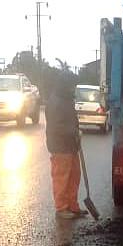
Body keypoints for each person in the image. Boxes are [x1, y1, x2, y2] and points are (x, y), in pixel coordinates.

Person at [45, 73, 87, 219]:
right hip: (60, 146)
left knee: (74, 176)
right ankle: (62, 208)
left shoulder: (66, 99)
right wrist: (75, 131)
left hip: (70, 145)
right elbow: (57, 127)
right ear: (65, 85)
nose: (74, 89)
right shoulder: (56, 102)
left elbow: (70, 121)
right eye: (72, 86)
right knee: (62, 177)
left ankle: (72, 206)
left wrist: (76, 132)